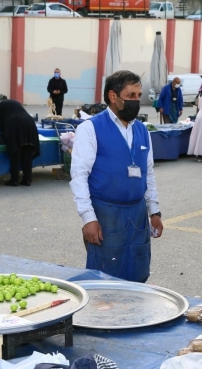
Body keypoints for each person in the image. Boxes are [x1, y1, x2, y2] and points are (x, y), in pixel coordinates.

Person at [69, 70, 163, 283]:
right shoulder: (90, 129)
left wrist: (154, 210)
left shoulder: (142, 131)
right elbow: (79, 176)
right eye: (131, 96)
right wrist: (88, 218)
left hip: (137, 214)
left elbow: (148, 173)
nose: (136, 101)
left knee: (138, 274)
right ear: (113, 96)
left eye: (139, 95)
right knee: (105, 279)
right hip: (106, 215)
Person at [0, 94, 41, 187]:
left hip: (14, 126)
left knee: (15, 153)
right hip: (30, 124)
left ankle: (14, 180)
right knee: (27, 152)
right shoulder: (15, 102)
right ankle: (27, 180)